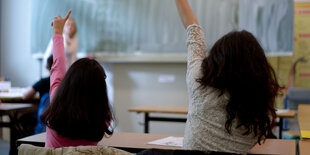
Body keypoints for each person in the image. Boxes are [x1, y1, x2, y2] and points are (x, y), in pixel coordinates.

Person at [174, 0, 281, 154]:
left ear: (217, 60)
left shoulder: (198, 82)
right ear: (259, 69)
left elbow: (194, 33)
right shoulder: (263, 112)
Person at [40, 10, 113, 148]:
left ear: (69, 81)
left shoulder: (56, 103)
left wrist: (57, 33)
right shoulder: (102, 120)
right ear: (100, 90)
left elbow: (58, 66)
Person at [23, 55, 53, 134]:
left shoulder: (43, 82)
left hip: (44, 117)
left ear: (47, 67)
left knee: (24, 117)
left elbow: (25, 96)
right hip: (58, 119)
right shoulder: (65, 81)